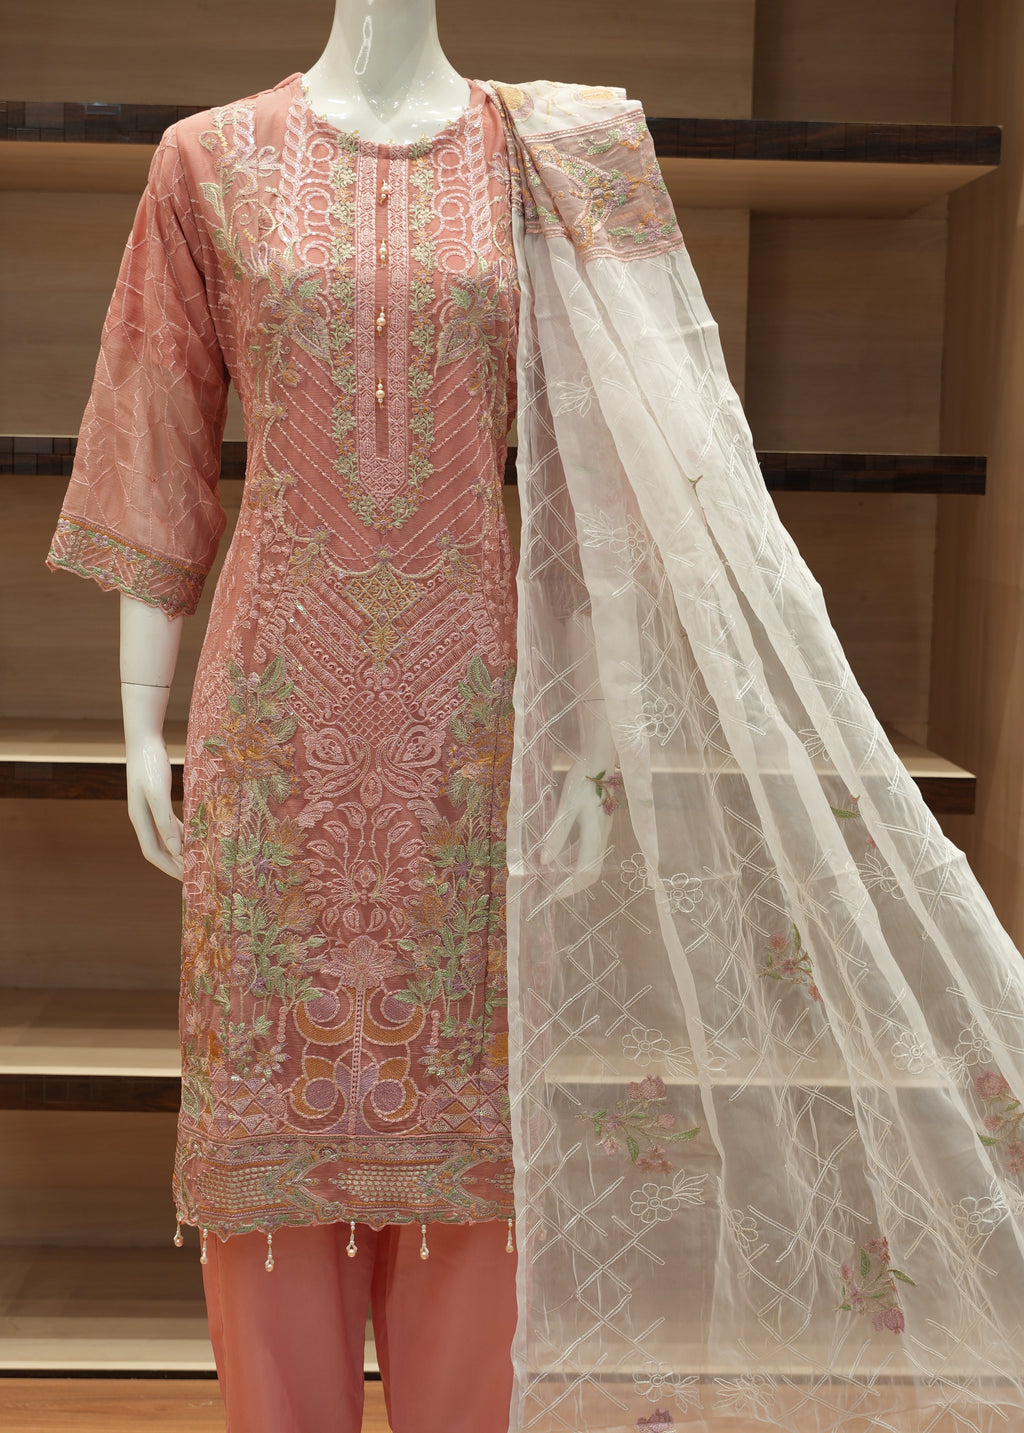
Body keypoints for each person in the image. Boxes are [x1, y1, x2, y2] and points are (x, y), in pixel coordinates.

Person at [47, 2, 1024, 1431]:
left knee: (476, 1133)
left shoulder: (559, 158)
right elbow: (157, 431)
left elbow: (610, 474)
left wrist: (603, 733)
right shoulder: (210, 163)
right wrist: (139, 718)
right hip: (273, 720)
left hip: (475, 723)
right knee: (274, 1122)